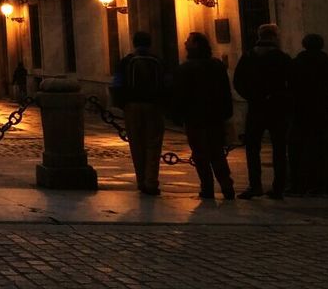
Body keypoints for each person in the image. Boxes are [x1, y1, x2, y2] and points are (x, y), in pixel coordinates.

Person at [172, 32, 235, 200]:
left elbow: (179, 94)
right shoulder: (217, 66)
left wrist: (178, 115)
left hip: (195, 118)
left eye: (188, 41)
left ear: (196, 45)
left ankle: (207, 187)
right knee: (217, 153)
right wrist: (227, 112)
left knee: (201, 154)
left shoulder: (185, 68)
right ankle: (226, 186)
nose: (185, 43)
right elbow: (225, 91)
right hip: (214, 116)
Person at [233, 23, 292, 200]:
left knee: (252, 147)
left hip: (256, 107)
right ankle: (279, 185)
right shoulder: (282, 57)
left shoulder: (249, 57)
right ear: (274, 37)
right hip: (277, 108)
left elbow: (238, 82)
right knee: (279, 147)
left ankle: (255, 184)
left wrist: (252, 96)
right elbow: (292, 82)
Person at [288, 33, 328, 195]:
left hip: (300, 111)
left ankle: (299, 184)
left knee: (297, 149)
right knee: (321, 149)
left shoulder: (296, 64)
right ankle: (321, 183)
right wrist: (327, 100)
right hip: (320, 111)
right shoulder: (327, 65)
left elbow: (289, 87)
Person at [115, 31, 168, 196]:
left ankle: (141, 180)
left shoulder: (126, 61)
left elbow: (117, 83)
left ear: (134, 43)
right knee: (153, 144)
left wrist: (122, 104)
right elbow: (167, 83)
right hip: (154, 106)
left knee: (136, 144)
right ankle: (151, 181)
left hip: (132, 106)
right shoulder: (158, 62)